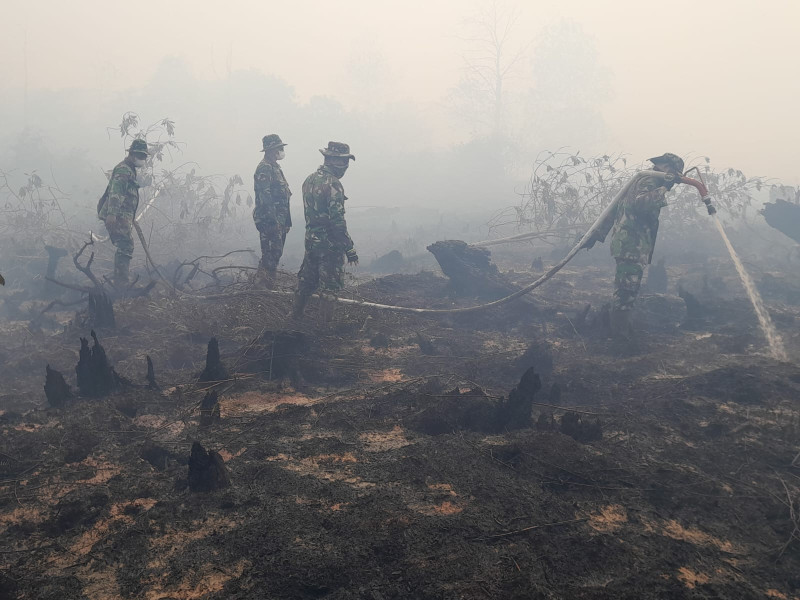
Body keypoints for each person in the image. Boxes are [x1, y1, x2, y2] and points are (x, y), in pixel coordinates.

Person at [584, 153, 685, 337]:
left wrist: (597, 234)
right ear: (667, 167)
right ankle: (619, 337)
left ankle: (622, 329)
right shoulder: (649, 180)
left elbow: (615, 207)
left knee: (627, 287)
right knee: (626, 290)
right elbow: (640, 204)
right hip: (632, 244)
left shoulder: (643, 178)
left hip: (629, 243)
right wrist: (664, 188)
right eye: (673, 170)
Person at [291, 141, 358, 320]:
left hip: (311, 242)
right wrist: (349, 247)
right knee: (330, 289)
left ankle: (293, 320)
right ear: (334, 160)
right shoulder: (334, 184)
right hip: (330, 246)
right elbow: (337, 221)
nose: (346, 166)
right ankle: (323, 329)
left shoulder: (310, 179)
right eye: (344, 161)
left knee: (305, 283)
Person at [97, 139, 148, 285]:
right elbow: (116, 192)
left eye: (144, 156)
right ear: (132, 154)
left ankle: (121, 281)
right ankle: (121, 283)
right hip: (118, 215)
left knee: (125, 245)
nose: (142, 159)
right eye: (140, 155)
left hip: (124, 216)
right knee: (125, 245)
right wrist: (112, 214)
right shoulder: (124, 169)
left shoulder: (129, 170)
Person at [253, 134, 292, 287]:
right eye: (278, 148)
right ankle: (262, 288)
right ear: (270, 150)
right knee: (270, 256)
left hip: (279, 221)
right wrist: (273, 221)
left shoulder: (275, 167)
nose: (281, 151)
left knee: (275, 255)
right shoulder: (264, 167)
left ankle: (267, 285)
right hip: (269, 222)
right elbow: (265, 196)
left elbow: (284, 196)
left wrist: (286, 222)